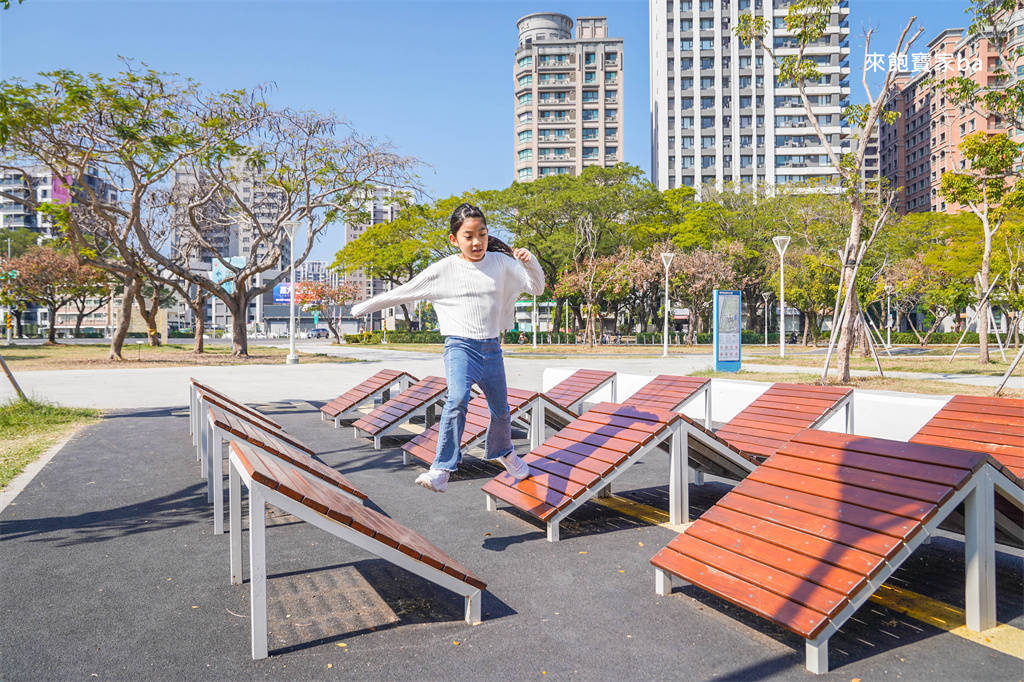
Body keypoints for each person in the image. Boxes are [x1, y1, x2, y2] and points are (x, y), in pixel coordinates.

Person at [350, 203, 545, 493]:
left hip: (491, 349)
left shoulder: (501, 263)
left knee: (501, 411)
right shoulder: (444, 269)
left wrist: (530, 262)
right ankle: (442, 468)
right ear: (454, 239)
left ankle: (504, 452)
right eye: (468, 236)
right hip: (460, 347)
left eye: (482, 234)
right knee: (456, 399)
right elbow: (403, 292)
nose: (477, 242)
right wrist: (364, 307)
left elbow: (537, 287)